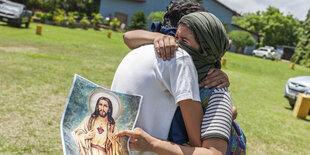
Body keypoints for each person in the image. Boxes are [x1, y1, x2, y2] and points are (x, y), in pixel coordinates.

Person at [117, 11, 233, 154]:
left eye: (184, 41)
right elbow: (128, 37)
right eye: (175, 38)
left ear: (206, 49)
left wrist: (153, 144)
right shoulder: (168, 72)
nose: (175, 46)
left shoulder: (217, 92)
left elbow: (214, 152)